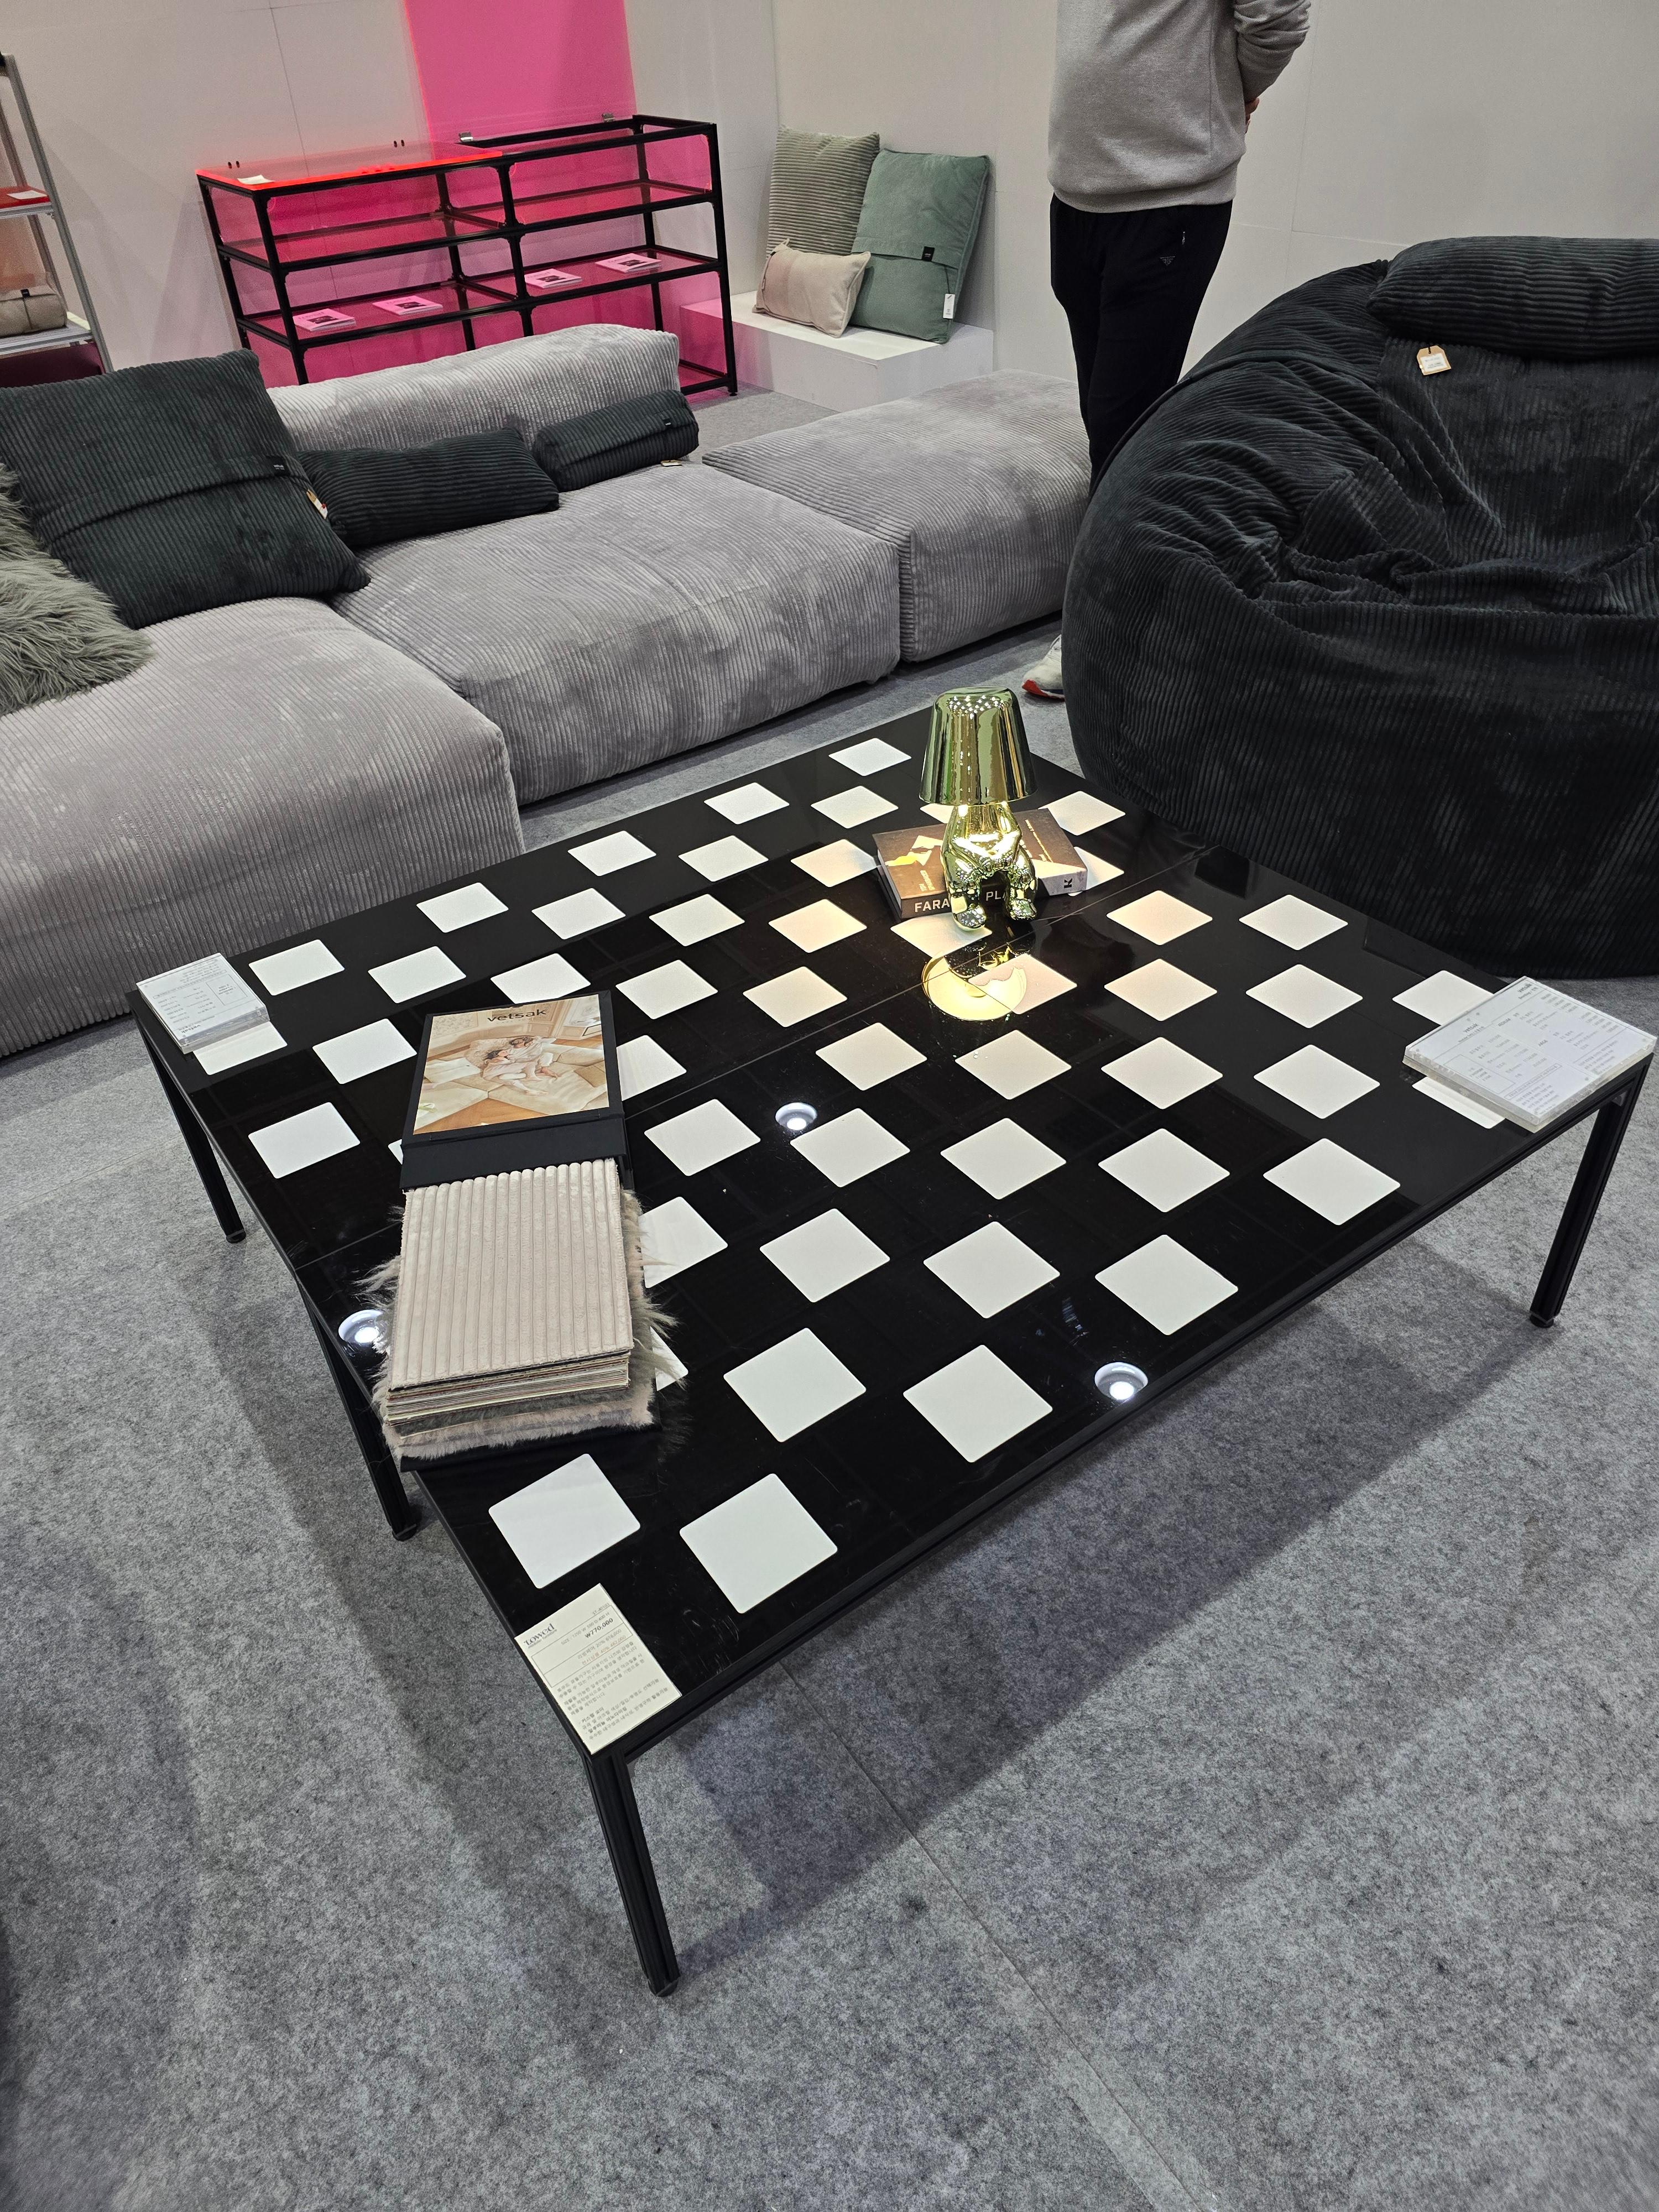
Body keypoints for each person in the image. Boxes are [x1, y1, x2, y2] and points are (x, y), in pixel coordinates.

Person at [1024, 0, 1310, 700]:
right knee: (1108, 423)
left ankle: (1107, 629)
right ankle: (1143, 602)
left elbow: (1278, 16)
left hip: (1169, 196)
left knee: (1123, 429)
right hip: (1079, 192)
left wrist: (1230, 91)